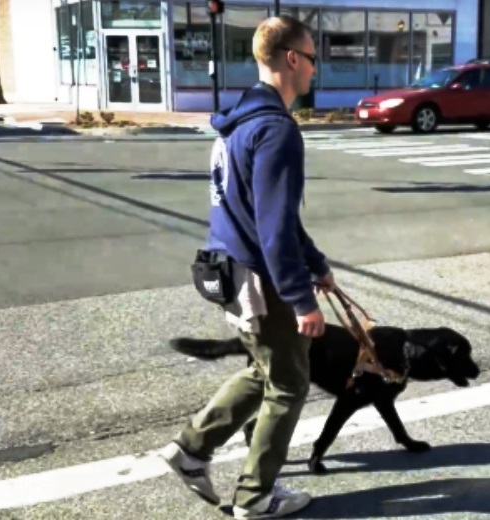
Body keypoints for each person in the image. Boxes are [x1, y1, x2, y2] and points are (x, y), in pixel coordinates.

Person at [158, 14, 333, 519]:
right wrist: (302, 300)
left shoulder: (237, 121)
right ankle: (255, 497)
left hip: (228, 270)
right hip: (264, 277)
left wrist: (316, 263)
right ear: (294, 59)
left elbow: (265, 213)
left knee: (265, 369)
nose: (316, 71)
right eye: (314, 59)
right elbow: (275, 228)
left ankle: (191, 450)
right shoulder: (276, 131)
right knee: (289, 383)